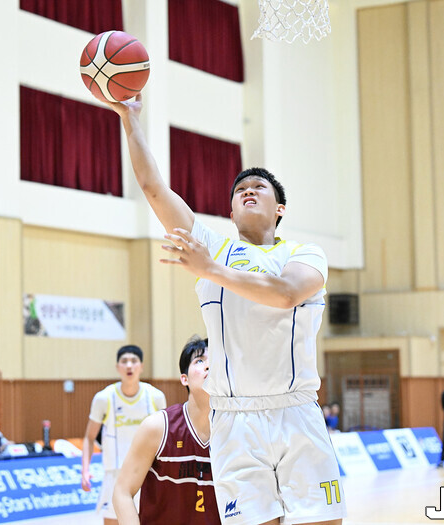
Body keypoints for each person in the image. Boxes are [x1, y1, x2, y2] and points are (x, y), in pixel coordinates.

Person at [106, 94, 346, 525]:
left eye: (259, 187)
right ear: (230, 211)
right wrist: (130, 118)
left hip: (296, 410)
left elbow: (285, 294)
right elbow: (153, 188)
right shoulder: (212, 247)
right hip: (234, 420)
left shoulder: (304, 253)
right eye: (240, 190)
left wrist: (210, 270)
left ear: (280, 209)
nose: (248, 190)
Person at [112, 336, 219, 524]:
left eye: (215, 360)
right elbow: (122, 492)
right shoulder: (157, 427)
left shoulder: (237, 431)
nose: (209, 366)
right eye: (199, 361)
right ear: (184, 379)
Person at [81, 344, 167, 525]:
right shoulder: (104, 398)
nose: (129, 365)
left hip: (148, 473)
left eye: (134, 361)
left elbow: (165, 437)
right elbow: (89, 437)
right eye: (124, 361)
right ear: (117, 367)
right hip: (115, 474)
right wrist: (85, 471)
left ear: (141, 366)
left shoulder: (155, 396)